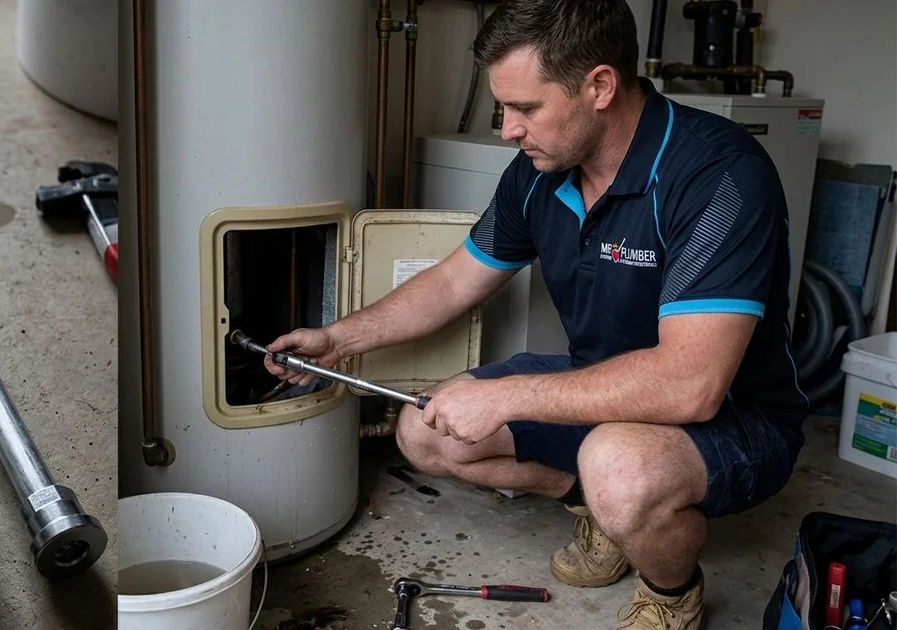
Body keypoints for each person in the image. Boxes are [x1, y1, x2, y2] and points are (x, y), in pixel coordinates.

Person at [263, 0, 810, 627]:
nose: (507, 130)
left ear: (599, 86)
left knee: (619, 465)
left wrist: (508, 396)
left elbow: (692, 384)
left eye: (525, 108)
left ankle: (671, 592)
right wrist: (337, 338)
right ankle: (603, 514)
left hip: (739, 418)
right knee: (422, 431)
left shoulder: (716, 175)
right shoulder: (537, 175)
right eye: (503, 108)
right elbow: (450, 284)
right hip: (601, 387)